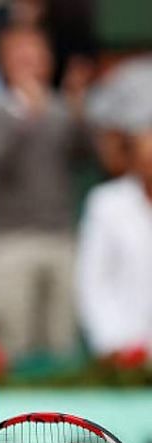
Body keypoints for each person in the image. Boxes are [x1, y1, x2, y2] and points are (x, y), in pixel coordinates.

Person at [0, 24, 91, 363]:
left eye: (36, 54)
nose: (29, 62)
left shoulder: (63, 109)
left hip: (62, 237)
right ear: (4, 63)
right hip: (10, 240)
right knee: (11, 344)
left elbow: (87, 156)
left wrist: (78, 109)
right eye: (19, 54)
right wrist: (26, 115)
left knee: (63, 344)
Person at [76, 125, 152, 366]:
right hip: (122, 349)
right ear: (134, 160)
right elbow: (92, 279)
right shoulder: (106, 203)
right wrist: (111, 343)